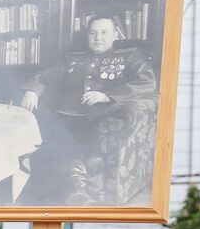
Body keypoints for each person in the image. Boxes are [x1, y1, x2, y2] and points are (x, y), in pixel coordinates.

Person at [17, 15, 158, 206]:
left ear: (115, 34)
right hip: (65, 117)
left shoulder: (130, 56)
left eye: (104, 32)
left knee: (57, 144)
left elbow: (147, 82)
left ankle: (73, 189)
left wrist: (108, 96)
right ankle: (72, 190)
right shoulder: (74, 60)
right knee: (37, 117)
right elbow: (45, 77)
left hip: (98, 119)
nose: (98, 37)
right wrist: (32, 91)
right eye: (93, 33)